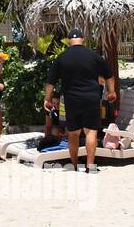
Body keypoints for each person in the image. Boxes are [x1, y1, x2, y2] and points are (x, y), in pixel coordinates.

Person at [43, 28, 115, 173]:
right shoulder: (93, 56)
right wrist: (112, 91)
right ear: (83, 39)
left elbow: (50, 83)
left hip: (71, 99)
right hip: (91, 98)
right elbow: (109, 76)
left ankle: (75, 165)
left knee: (73, 133)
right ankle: (90, 166)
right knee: (91, 132)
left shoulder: (62, 57)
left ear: (69, 41)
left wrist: (47, 99)